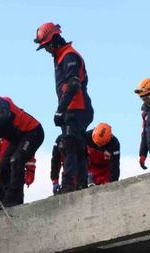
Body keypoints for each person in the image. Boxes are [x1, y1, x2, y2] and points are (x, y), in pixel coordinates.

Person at [35, 22, 93, 193]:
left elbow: (73, 84)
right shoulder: (62, 56)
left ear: (53, 40)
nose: (46, 50)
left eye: (46, 46)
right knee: (78, 146)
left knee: (69, 144)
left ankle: (69, 186)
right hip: (77, 108)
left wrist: (61, 109)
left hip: (76, 108)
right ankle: (81, 183)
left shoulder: (68, 56)